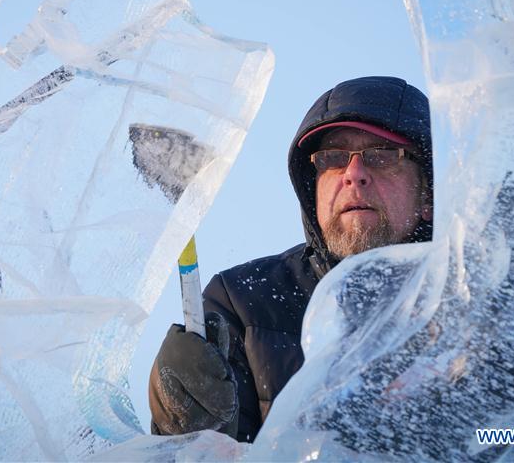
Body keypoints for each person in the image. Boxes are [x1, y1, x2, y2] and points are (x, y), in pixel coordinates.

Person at [148, 76, 434, 442]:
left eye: (382, 155)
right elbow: (200, 455)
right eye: (332, 158)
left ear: (428, 194)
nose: (354, 174)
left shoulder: (476, 304)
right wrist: (180, 421)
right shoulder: (243, 302)